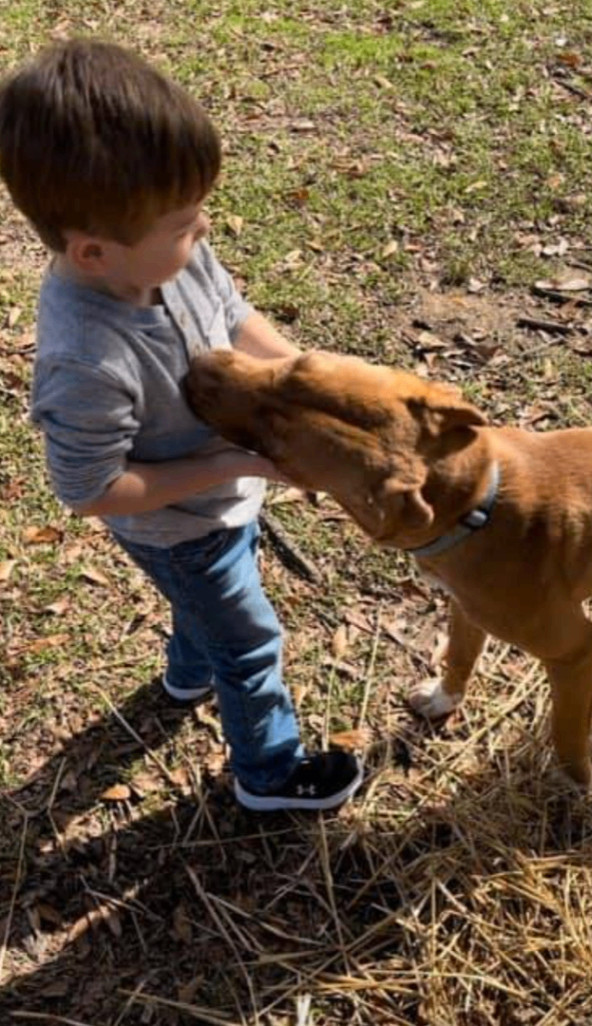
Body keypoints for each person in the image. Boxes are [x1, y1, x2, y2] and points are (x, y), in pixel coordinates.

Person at [0, 38, 363, 812]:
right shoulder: (86, 361)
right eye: (186, 226)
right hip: (179, 529)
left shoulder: (164, 255)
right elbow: (92, 489)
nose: (202, 236)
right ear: (94, 252)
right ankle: (269, 776)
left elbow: (230, 316)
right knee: (251, 642)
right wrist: (243, 465)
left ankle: (187, 670)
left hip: (217, 503)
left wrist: (302, 377)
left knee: (208, 620)